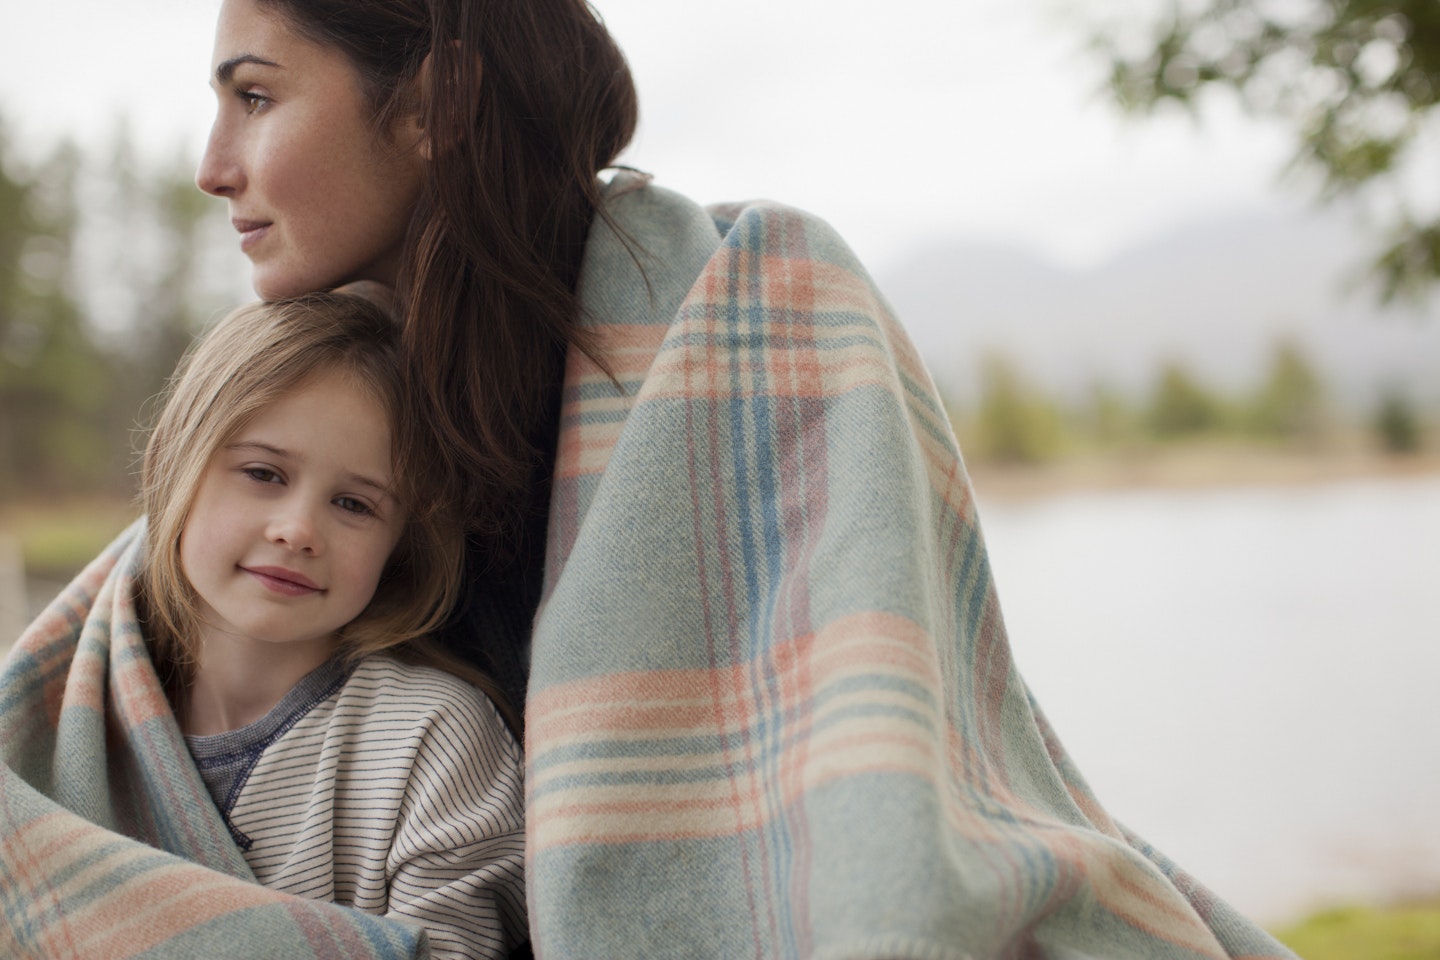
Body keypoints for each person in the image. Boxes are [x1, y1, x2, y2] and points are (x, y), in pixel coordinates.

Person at [0, 0, 1298, 956]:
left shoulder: (755, 303)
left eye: (257, 95)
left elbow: (873, 786)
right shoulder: (330, 405)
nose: (211, 160)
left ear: (432, 106)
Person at [138, 292, 526, 960]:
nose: (297, 530)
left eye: (354, 503)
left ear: (402, 542)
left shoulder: (432, 736)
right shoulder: (89, 700)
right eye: (264, 473)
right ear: (181, 466)